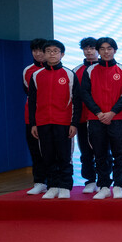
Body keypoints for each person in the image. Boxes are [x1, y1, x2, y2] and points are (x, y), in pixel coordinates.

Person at [27, 40, 80, 199]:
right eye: (48, 51)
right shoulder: (36, 75)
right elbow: (32, 102)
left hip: (63, 123)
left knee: (64, 156)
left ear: (62, 54)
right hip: (43, 122)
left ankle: (65, 186)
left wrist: (74, 123)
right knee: (48, 155)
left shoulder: (69, 74)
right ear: (43, 54)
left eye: (55, 51)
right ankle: (52, 185)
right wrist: (33, 123)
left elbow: (77, 101)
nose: (52, 53)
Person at [82, 37, 122, 200]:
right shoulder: (89, 71)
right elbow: (85, 94)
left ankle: (118, 185)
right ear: (98, 51)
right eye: (102, 48)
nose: (106, 51)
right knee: (100, 154)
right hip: (96, 119)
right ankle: (103, 185)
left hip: (118, 119)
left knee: (119, 154)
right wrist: (98, 113)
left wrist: (112, 113)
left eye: (109, 48)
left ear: (115, 50)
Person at [74, 37, 99, 193]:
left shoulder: (107, 68)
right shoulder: (76, 71)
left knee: (104, 152)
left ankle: (105, 180)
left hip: (103, 118)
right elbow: (74, 97)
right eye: (86, 48)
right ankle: (90, 180)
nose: (89, 51)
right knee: (86, 151)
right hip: (84, 118)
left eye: (92, 48)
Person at [23, 38, 48, 195]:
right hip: (32, 118)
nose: (38, 54)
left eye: (41, 50)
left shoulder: (63, 72)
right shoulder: (28, 71)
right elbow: (30, 95)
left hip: (55, 119)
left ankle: (56, 183)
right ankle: (39, 182)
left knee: (56, 152)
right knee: (35, 151)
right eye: (35, 50)